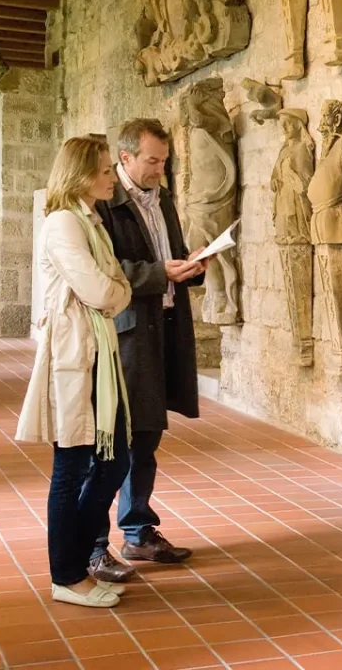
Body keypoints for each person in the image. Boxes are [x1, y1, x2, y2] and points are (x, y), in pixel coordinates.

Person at [89, 118, 208, 583]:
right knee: (113, 440)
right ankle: (95, 544)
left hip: (165, 326)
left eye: (164, 160)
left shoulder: (164, 200)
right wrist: (162, 273)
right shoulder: (106, 204)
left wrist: (192, 265)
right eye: (153, 160)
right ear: (125, 158)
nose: (161, 168)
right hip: (127, 332)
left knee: (148, 436)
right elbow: (109, 269)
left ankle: (138, 531)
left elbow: (169, 255)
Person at [16, 136, 132, 609]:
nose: (110, 176)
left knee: (114, 460)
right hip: (76, 355)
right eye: (105, 169)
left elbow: (114, 286)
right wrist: (113, 291)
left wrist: (113, 290)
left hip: (98, 354)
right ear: (82, 174)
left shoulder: (90, 220)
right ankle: (65, 575)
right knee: (72, 467)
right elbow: (103, 291)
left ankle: (78, 559)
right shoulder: (63, 222)